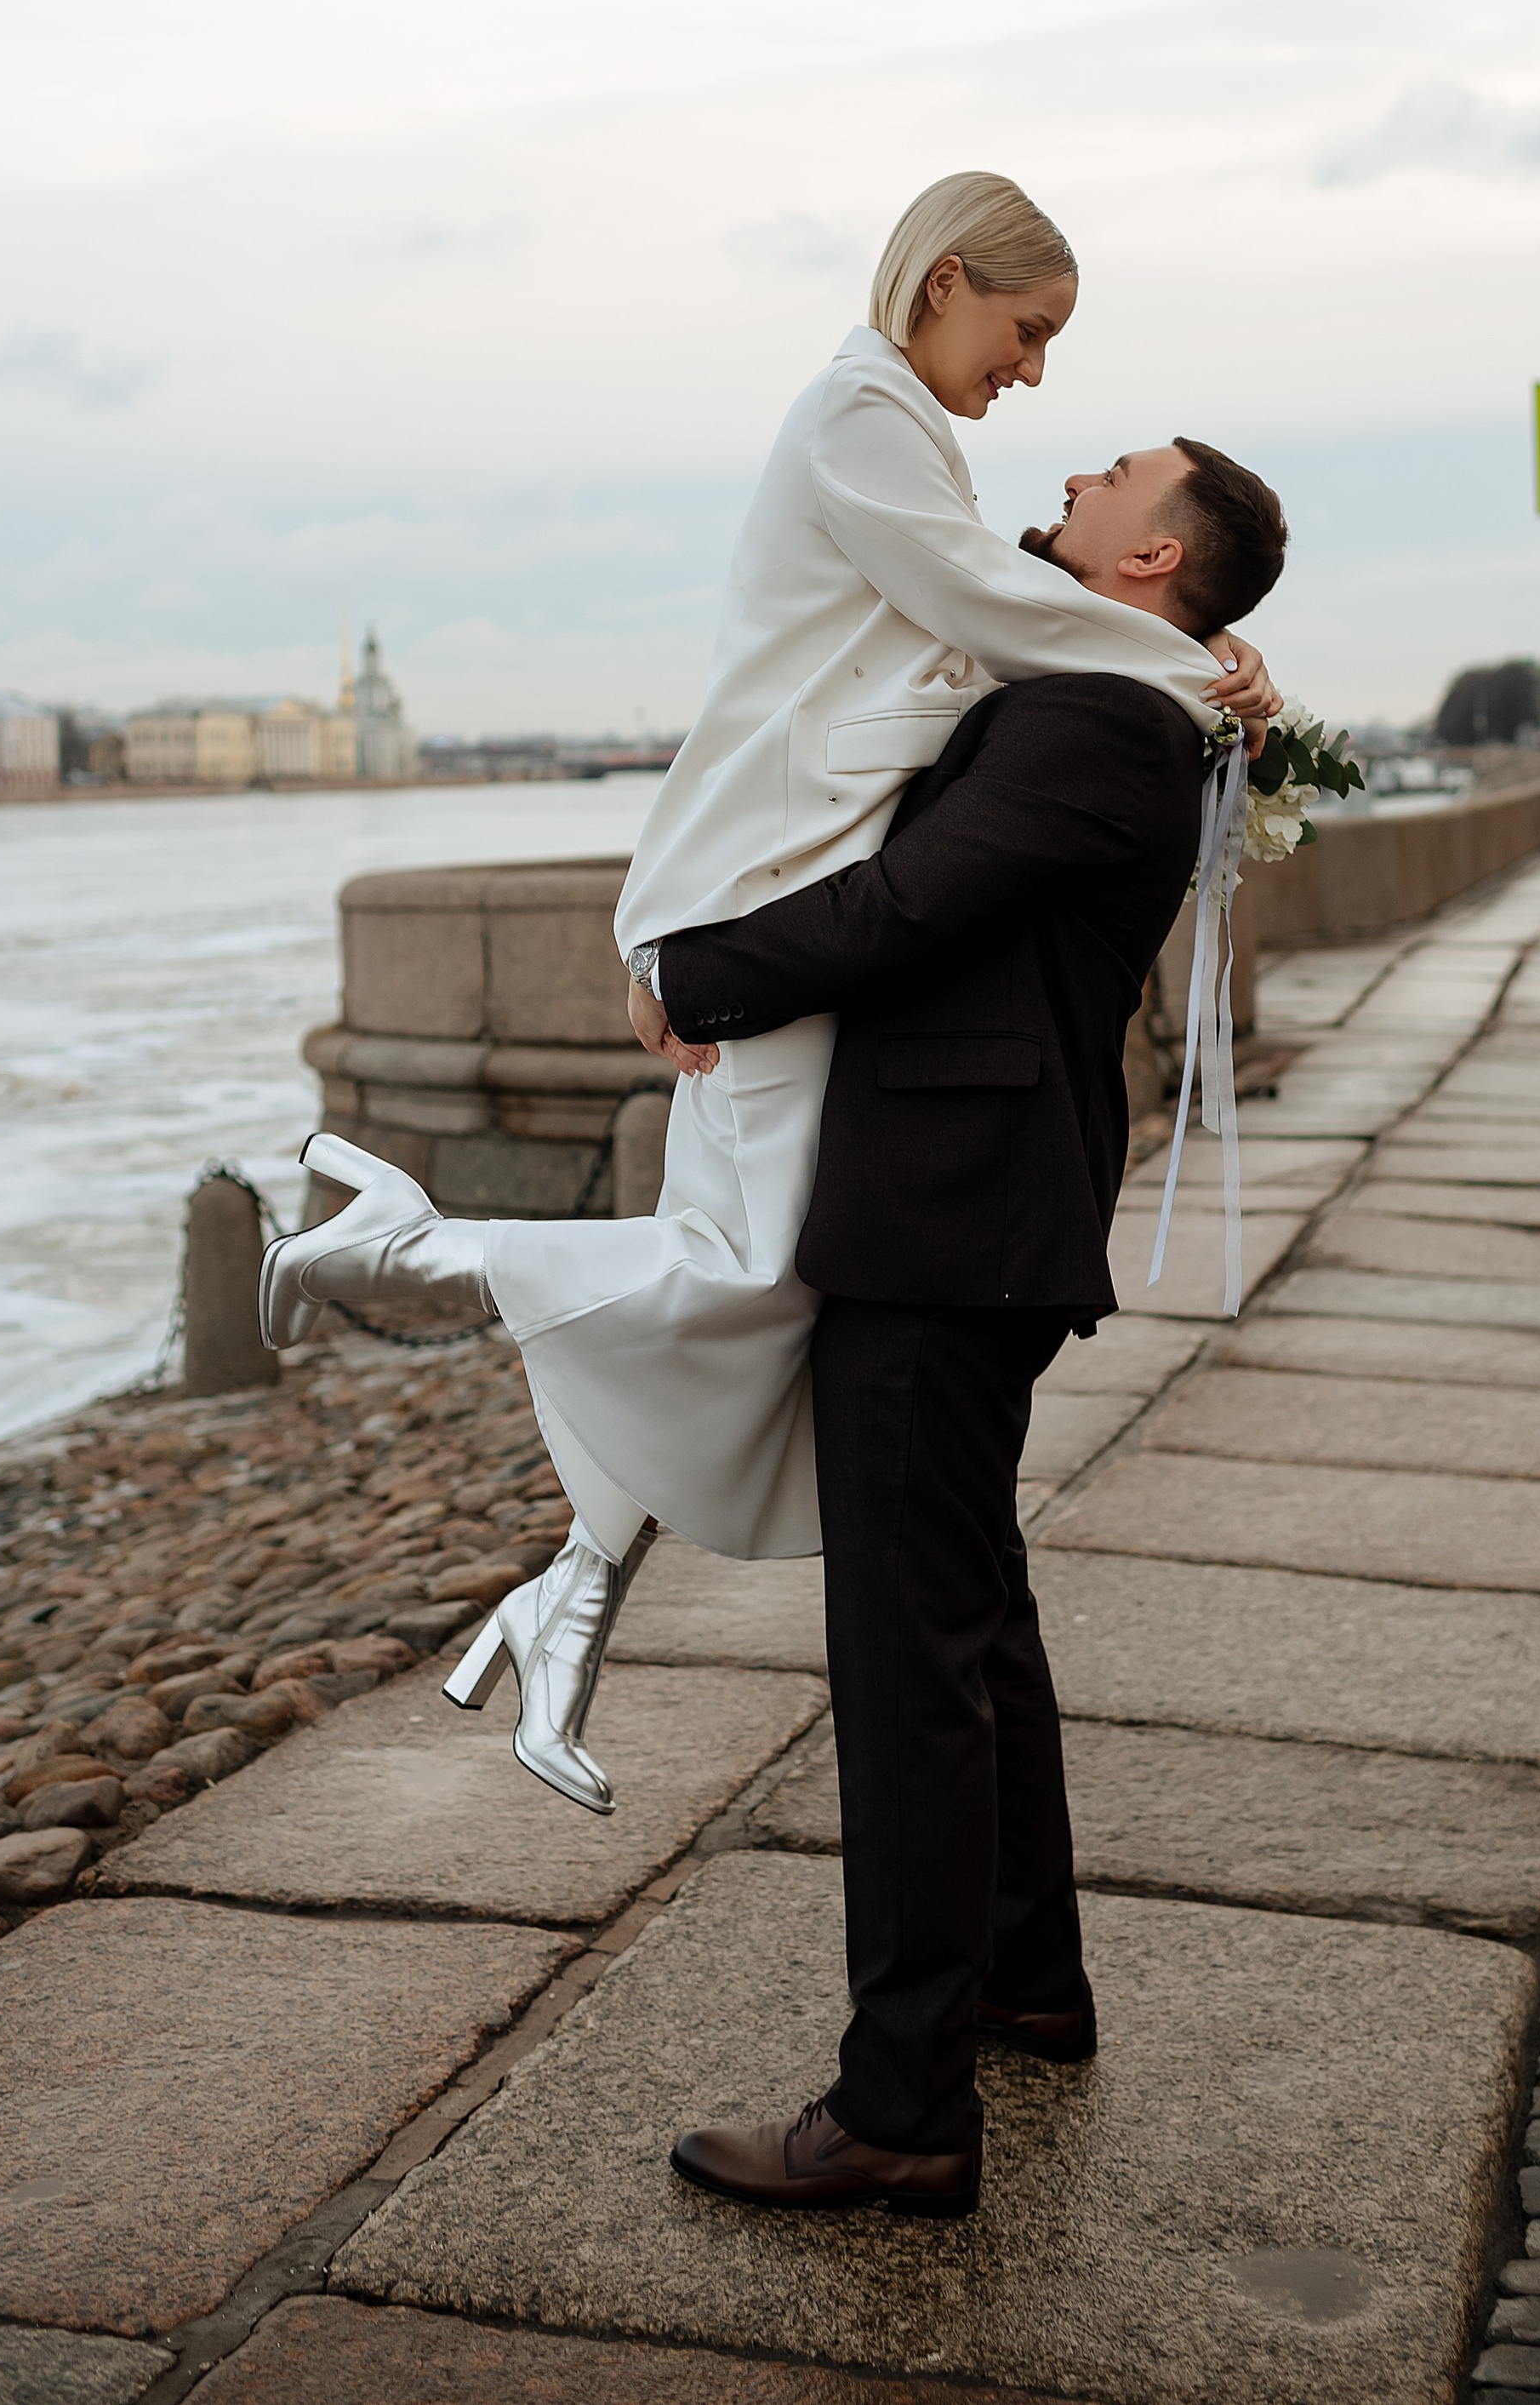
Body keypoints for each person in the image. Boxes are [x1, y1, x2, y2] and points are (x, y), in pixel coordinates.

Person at [257, 174, 1278, 1818]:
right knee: (746, 1268)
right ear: (947, 282)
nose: (1036, 380)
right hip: (761, 879)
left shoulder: (907, 434)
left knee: (747, 1271)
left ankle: (566, 1576)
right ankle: (425, 1287)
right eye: (1027, 331)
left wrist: (1210, 681)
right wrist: (1204, 676)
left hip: (786, 887)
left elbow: (989, 634)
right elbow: (986, 610)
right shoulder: (860, 417)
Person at [650, 438, 1289, 2215]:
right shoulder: (1107, 688)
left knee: (904, 1661)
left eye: (1111, 474)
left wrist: (687, 971)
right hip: (978, 1208)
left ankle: (901, 2105)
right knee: (970, 1620)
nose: (1070, 468)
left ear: (1152, 554)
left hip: (944, 1221)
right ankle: (1022, 1974)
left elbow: (899, 907)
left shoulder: (1093, 718)